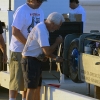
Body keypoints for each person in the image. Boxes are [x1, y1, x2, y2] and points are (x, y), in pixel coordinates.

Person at [21, 12, 65, 100]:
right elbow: (47, 51)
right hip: (30, 61)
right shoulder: (42, 30)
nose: (58, 29)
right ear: (52, 23)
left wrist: (55, 57)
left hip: (34, 60)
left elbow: (43, 50)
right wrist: (57, 42)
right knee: (31, 88)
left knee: (37, 87)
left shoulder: (42, 27)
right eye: (58, 26)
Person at [9, 0, 45, 100]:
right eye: (38, 1)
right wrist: (28, 45)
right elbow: (15, 32)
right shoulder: (22, 10)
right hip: (19, 50)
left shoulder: (41, 11)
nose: (39, 3)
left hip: (31, 52)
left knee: (27, 82)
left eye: (41, 1)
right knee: (16, 81)